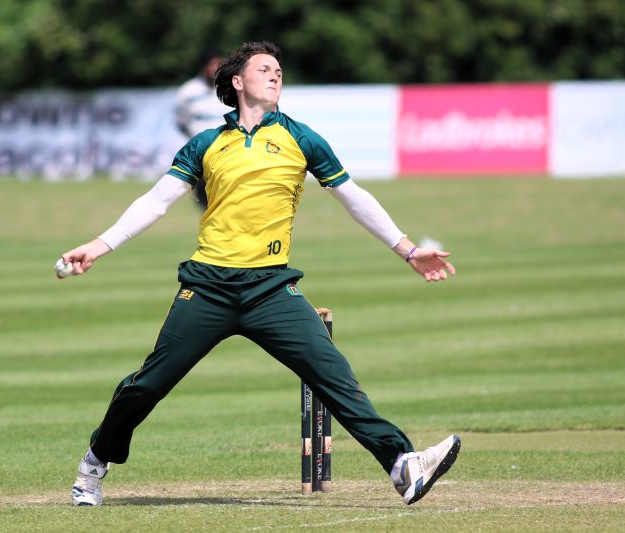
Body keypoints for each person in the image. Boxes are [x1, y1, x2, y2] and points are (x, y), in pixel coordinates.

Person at [61, 41, 461, 507]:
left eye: (279, 71)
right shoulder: (206, 143)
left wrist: (408, 250)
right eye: (264, 69)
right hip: (207, 289)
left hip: (271, 290)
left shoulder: (302, 139)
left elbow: (353, 196)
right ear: (237, 81)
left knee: (334, 375)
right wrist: (99, 245)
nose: (275, 75)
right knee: (148, 385)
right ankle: (95, 462)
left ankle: (401, 465)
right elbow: (155, 202)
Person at [174, 48, 230, 210]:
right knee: (207, 204)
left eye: (218, 64)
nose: (215, 68)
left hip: (229, 152)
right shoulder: (188, 92)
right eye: (211, 64)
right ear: (203, 66)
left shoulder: (231, 88)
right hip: (202, 154)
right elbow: (181, 122)